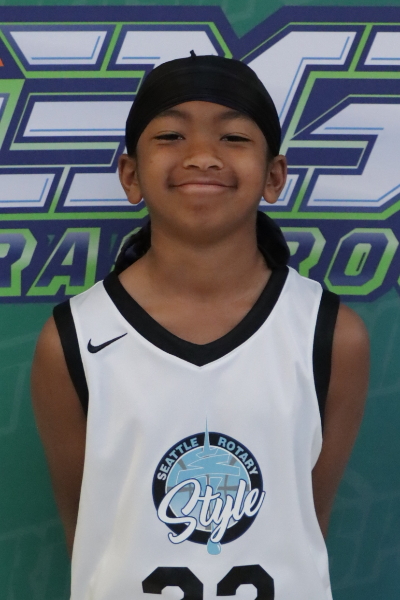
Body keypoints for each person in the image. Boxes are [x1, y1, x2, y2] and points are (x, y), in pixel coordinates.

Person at [31, 54, 369, 600]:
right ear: (130, 175)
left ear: (274, 176)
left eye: (234, 137)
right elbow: (90, 532)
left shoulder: (330, 335)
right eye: (171, 135)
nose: (202, 156)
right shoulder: (74, 338)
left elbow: (305, 521)